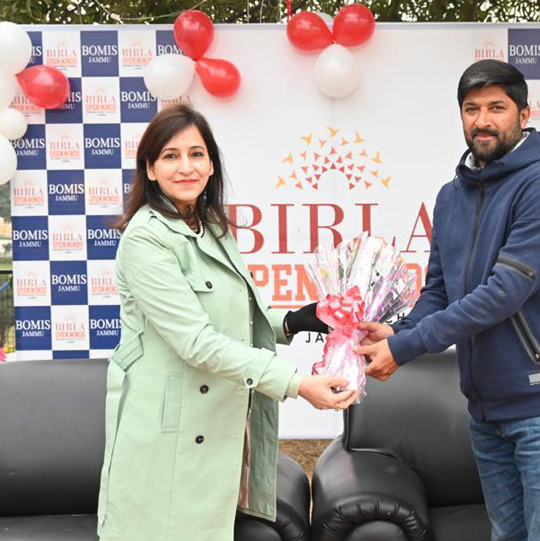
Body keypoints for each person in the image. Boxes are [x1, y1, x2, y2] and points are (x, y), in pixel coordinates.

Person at [357, 59, 540, 540]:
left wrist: (405, 348)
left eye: (496, 108)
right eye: (471, 109)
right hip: (486, 409)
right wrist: (399, 331)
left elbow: (502, 294)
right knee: (505, 534)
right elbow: (440, 290)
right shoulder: (451, 196)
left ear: (523, 115)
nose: (482, 120)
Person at [97, 104, 354, 541]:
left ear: (212, 164)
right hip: (168, 435)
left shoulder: (211, 226)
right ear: (150, 169)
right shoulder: (146, 238)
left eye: (196, 154)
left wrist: (299, 319)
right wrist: (297, 384)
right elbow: (197, 342)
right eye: (171, 156)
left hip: (215, 424)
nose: (186, 167)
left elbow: (235, 315)